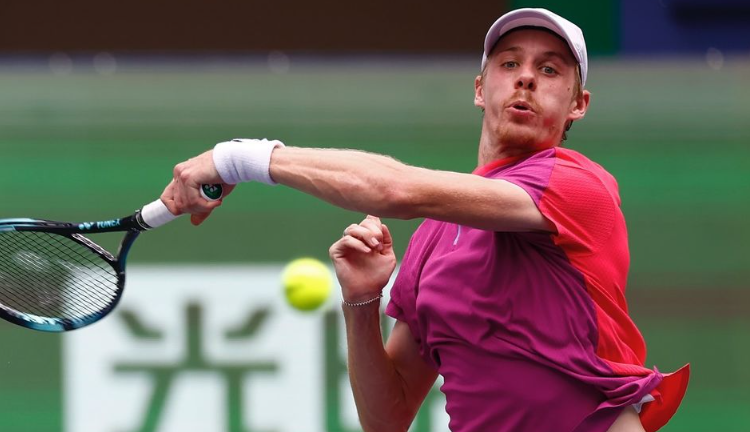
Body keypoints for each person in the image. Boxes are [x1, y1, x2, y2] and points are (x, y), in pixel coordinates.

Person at [161, 8, 689, 432]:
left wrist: (240, 158)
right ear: (481, 89)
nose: (526, 77)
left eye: (550, 69)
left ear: (579, 104)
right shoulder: (433, 244)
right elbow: (386, 418)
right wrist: (362, 302)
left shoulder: (576, 185)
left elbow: (393, 188)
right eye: (509, 64)